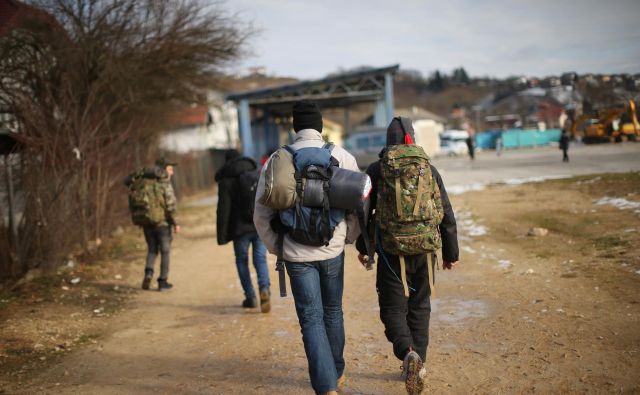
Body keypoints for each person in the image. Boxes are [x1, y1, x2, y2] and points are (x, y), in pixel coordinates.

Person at [253, 100, 360, 395]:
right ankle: (336, 372)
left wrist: (278, 247)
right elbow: (357, 206)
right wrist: (346, 238)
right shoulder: (342, 156)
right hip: (332, 250)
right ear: (321, 126)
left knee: (311, 318)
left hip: (295, 252)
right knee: (333, 311)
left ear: (294, 127)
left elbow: (261, 214)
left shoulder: (277, 159)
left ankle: (326, 387)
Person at [356, 117, 459, 395]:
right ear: (412, 138)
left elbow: (363, 213)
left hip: (391, 252)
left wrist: (364, 248)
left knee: (393, 308)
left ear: (388, 140)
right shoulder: (428, 168)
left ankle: (407, 352)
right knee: (420, 307)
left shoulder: (378, 169)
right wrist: (450, 252)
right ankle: (419, 362)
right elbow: (446, 212)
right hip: (425, 250)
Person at [215, 149, 271, 312]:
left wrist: (222, 235)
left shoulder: (226, 180)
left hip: (239, 229)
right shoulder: (255, 171)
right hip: (257, 224)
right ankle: (264, 289)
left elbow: (223, 209)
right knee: (260, 258)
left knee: (241, 260)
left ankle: (251, 297)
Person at [142, 158, 180, 291]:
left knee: (152, 249)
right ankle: (162, 281)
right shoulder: (164, 184)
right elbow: (170, 206)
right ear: (163, 169)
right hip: (162, 224)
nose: (172, 173)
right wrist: (175, 223)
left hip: (147, 223)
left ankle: (148, 273)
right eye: (170, 169)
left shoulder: (146, 183)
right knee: (165, 251)